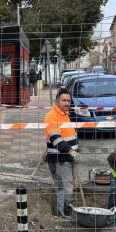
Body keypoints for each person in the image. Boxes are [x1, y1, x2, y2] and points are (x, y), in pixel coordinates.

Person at [43, 89, 79, 217]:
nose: (66, 103)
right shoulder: (51, 116)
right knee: (65, 189)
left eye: (68, 101)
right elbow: (56, 139)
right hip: (60, 160)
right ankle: (64, 214)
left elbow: (68, 135)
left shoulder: (65, 114)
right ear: (57, 101)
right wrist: (71, 151)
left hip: (67, 158)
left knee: (67, 186)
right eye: (63, 100)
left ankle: (64, 212)